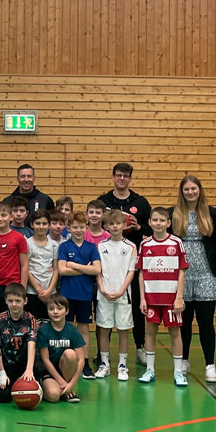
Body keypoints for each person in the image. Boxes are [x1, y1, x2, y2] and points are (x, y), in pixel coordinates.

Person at [98, 162, 154, 360]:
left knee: (136, 305)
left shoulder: (140, 202)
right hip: (107, 261)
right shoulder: (103, 201)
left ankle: (140, 347)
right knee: (105, 306)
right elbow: (94, 224)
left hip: (132, 261)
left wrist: (139, 228)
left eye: (125, 176)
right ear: (113, 177)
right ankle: (102, 353)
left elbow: (152, 228)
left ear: (130, 178)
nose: (122, 179)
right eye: (118, 175)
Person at [171, 175, 216, 383]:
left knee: (205, 322)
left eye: (194, 189)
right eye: (186, 189)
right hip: (182, 274)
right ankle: (183, 359)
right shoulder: (173, 213)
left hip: (205, 274)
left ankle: (210, 364)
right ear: (181, 192)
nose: (190, 192)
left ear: (199, 190)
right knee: (184, 322)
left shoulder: (211, 213)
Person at [138, 207, 188, 387]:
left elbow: (181, 271)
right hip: (151, 299)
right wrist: (143, 299)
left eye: (162, 220)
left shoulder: (176, 243)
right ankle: (150, 370)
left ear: (168, 223)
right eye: (155, 220)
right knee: (150, 333)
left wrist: (179, 297)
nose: (158, 223)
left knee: (175, 333)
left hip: (171, 300)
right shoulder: (145, 245)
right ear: (150, 222)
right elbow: (142, 274)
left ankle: (177, 371)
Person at [56, 213, 100, 377]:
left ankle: (85, 363)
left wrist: (73, 265)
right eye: (75, 227)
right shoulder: (64, 247)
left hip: (85, 295)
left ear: (86, 228)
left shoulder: (91, 247)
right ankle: (63, 361)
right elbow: (61, 270)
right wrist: (84, 268)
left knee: (83, 329)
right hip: (67, 295)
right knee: (65, 328)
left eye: (81, 227)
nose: (78, 230)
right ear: (69, 229)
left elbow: (96, 269)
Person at [96, 210, 138, 381]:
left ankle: (122, 366)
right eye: (111, 224)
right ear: (106, 226)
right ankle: (104, 364)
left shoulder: (131, 247)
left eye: (118, 223)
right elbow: (97, 271)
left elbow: (131, 272)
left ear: (124, 225)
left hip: (123, 295)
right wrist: (102, 288)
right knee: (104, 330)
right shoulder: (100, 246)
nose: (115, 226)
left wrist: (121, 290)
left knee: (123, 330)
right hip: (104, 294)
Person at [0, 284, 39, 403]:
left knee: (40, 367)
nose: (14, 304)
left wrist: (29, 370)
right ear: (6, 301)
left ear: (25, 301)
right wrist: (2, 372)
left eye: (18, 301)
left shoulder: (31, 319)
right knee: (3, 397)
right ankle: (13, 381)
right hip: (8, 365)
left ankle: (37, 380)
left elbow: (32, 343)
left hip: (25, 363)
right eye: (11, 301)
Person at [36, 295, 86, 403]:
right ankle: (53, 386)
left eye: (59, 309)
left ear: (67, 311)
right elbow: (45, 359)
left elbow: (81, 360)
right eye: (51, 309)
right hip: (49, 372)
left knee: (71, 354)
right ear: (47, 312)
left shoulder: (72, 330)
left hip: (66, 370)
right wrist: (61, 383)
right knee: (53, 396)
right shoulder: (43, 330)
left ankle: (68, 390)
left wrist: (71, 384)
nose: (55, 312)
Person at [25, 210, 62, 319]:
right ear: (32, 224)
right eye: (37, 223)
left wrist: (50, 290)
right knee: (33, 325)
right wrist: (38, 290)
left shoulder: (54, 245)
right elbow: (25, 268)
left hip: (50, 292)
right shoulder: (27, 243)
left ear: (49, 225)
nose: (41, 226)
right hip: (32, 292)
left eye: (44, 223)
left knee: (48, 324)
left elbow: (56, 269)